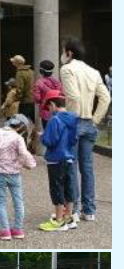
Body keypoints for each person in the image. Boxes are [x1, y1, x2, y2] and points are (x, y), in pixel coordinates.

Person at [59, 37, 110, 222]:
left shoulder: (67, 69)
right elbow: (105, 98)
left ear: (69, 52)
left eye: (63, 50)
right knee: (87, 168)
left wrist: (69, 117)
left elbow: (72, 96)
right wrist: (94, 120)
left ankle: (74, 209)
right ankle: (89, 210)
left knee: (71, 167)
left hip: (73, 122)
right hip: (89, 122)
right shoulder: (93, 71)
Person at [0, 114, 37, 241]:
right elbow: (23, 153)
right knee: (18, 201)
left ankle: (5, 231)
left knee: (0, 202)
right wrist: (31, 164)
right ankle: (18, 229)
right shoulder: (18, 138)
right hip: (14, 174)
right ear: (21, 126)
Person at [39, 91, 79, 233]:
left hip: (55, 159)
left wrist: (42, 137)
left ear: (53, 104)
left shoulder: (54, 120)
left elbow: (50, 140)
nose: (49, 111)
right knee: (69, 187)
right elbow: (75, 139)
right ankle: (69, 217)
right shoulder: (73, 118)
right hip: (69, 157)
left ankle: (59, 221)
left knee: (56, 188)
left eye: (48, 107)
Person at [33, 60, 62, 149]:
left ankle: (51, 154)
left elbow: (37, 98)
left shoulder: (39, 83)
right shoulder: (57, 82)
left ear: (41, 71)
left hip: (46, 112)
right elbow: (61, 94)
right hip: (58, 111)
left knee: (48, 134)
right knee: (58, 133)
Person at [10, 55, 35, 124]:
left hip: (25, 100)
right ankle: (36, 133)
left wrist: (16, 98)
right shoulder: (31, 71)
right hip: (33, 99)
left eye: (13, 62)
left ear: (16, 63)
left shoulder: (19, 73)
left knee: (21, 122)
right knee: (34, 121)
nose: (12, 64)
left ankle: (22, 134)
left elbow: (20, 88)